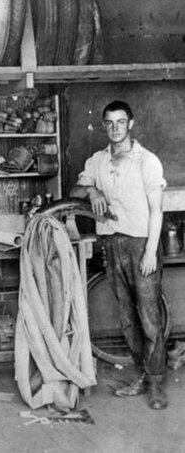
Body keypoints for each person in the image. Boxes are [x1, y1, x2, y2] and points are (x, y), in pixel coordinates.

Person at [70, 99, 167, 410]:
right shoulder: (97, 161)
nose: (115, 128)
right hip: (112, 245)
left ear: (131, 124)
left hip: (141, 245)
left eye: (120, 122)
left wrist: (151, 252)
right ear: (104, 126)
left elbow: (156, 210)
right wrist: (94, 191)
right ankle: (140, 375)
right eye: (109, 123)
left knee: (150, 320)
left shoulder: (146, 161)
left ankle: (155, 385)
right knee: (127, 319)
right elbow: (76, 191)